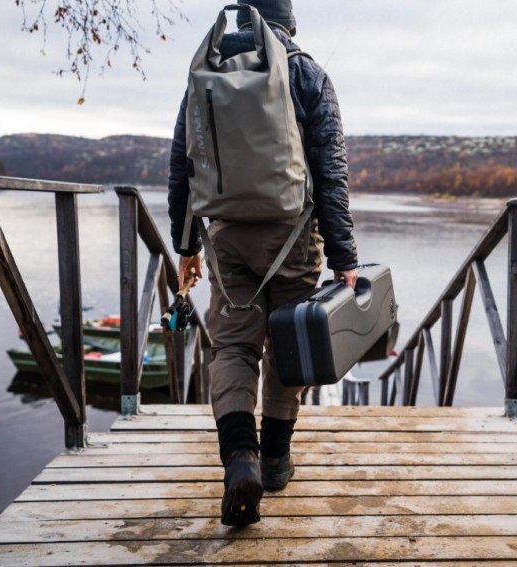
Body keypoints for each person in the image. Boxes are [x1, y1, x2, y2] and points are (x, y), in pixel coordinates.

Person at [166, 0, 358, 526]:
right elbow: (331, 173)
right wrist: (344, 257)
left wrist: (186, 249)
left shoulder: (207, 72)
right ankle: (274, 460)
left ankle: (239, 459)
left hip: (225, 237)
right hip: (294, 237)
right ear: (288, 22)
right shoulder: (307, 72)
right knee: (288, 344)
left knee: (232, 346)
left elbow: (184, 164)